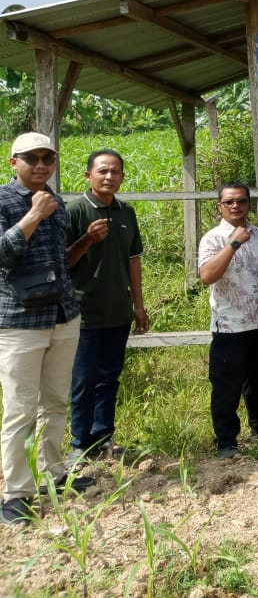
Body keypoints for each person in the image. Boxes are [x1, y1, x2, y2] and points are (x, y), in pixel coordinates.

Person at [0, 133, 91, 526]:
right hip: (20, 321)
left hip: (62, 315)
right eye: (32, 158)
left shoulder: (55, 204)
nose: (41, 165)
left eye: (47, 158)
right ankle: (16, 493)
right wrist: (32, 215)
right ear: (13, 162)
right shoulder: (7, 201)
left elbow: (61, 259)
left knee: (54, 401)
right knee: (20, 409)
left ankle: (52, 475)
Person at [65, 149, 148, 462]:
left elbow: (133, 261)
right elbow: (63, 262)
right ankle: (78, 443)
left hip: (118, 310)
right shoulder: (74, 211)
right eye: (102, 171)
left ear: (123, 177)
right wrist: (86, 239)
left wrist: (138, 306)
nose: (109, 177)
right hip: (83, 312)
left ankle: (103, 438)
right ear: (88, 175)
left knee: (109, 378)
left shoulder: (126, 213)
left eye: (115, 172)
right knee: (83, 380)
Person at [199, 182, 258, 459]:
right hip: (230, 326)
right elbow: (207, 276)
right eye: (229, 202)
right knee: (227, 386)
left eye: (241, 201)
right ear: (220, 206)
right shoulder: (212, 239)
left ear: (249, 204)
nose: (236, 206)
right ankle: (226, 440)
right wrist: (233, 244)